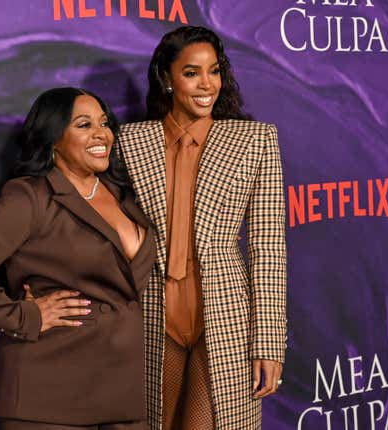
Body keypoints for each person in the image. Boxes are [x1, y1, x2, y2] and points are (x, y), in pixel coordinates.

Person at [0, 87, 155, 430]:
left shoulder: (124, 192)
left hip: (127, 396)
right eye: (84, 125)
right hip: (50, 394)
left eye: (104, 122)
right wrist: (24, 316)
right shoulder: (32, 197)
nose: (102, 134)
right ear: (53, 139)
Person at [118, 26, 287, 429]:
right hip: (150, 311)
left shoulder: (253, 140)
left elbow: (268, 248)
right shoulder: (129, 141)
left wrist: (268, 343)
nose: (206, 84)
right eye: (192, 72)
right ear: (166, 78)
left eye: (214, 71)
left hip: (224, 314)